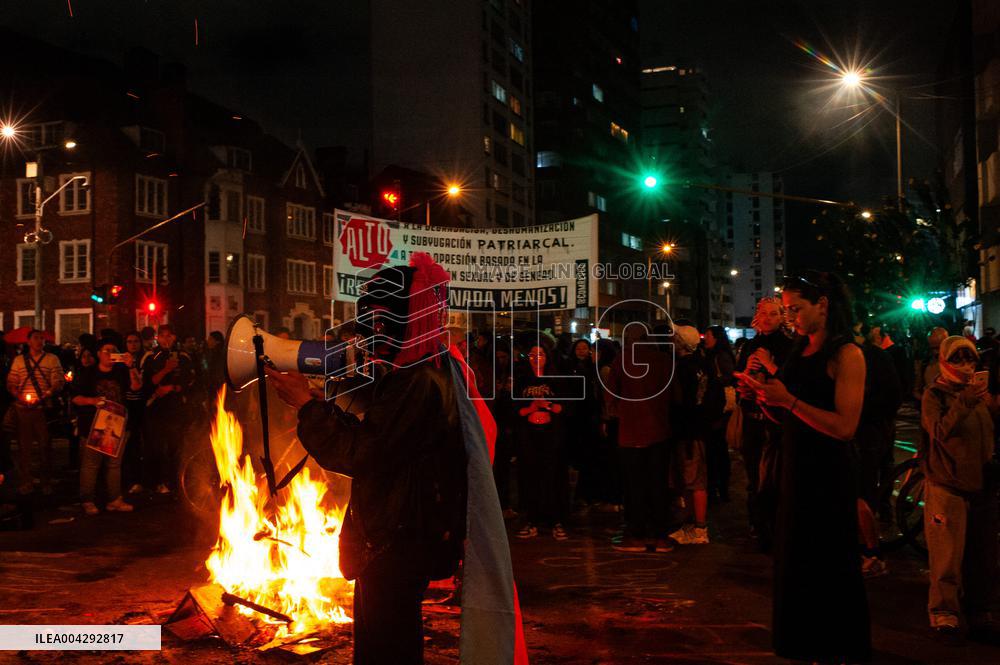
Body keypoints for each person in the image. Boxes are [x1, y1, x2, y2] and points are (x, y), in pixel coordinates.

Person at [267, 253, 526, 665]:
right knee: (387, 634)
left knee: (386, 643)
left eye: (377, 322)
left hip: (396, 538)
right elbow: (382, 438)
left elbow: (361, 453)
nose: (369, 333)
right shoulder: (427, 369)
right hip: (403, 533)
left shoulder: (418, 381)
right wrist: (324, 404)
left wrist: (307, 408)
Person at [736, 271, 870, 663]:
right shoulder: (799, 351)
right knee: (795, 561)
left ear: (823, 306)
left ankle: (836, 647)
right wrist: (763, 397)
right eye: (787, 309)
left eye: (797, 309)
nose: (791, 317)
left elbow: (844, 427)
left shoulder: (847, 354)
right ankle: (803, 644)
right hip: (795, 468)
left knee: (828, 564)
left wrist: (787, 400)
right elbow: (788, 416)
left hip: (828, 476)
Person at [921, 336, 999, 644]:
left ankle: (980, 611)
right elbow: (940, 431)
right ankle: (944, 611)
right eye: (959, 360)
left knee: (983, 556)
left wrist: (989, 403)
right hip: (947, 485)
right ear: (944, 362)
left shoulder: (979, 396)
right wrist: (965, 401)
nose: (966, 366)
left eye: (970, 360)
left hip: (982, 485)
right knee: (947, 555)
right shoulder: (935, 394)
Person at [605, 324, 673, 553]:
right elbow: (676, 394)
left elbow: (611, 395)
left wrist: (617, 413)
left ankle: (637, 535)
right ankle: (661, 535)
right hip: (660, 430)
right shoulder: (664, 359)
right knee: (658, 484)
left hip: (630, 432)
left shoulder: (622, 359)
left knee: (634, 486)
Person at [734, 296, 795, 550]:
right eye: (763, 313)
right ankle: (757, 525)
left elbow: (792, 383)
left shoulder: (790, 346)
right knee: (753, 475)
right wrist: (745, 378)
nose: (768, 318)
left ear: (782, 317)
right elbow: (739, 386)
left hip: (778, 423)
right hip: (753, 420)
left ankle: (777, 527)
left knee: (776, 477)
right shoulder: (749, 346)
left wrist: (770, 365)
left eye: (773, 314)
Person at [855, 323, 902, 578]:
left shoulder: (874, 357)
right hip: (862, 431)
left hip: (867, 432)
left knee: (861, 493)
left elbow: (893, 397)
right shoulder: (849, 353)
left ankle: (872, 552)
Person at [72, 339, 140, 515]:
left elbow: (136, 387)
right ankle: (87, 500)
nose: (110, 354)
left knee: (114, 464)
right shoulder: (88, 374)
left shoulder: (121, 371)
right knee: (91, 464)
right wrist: (92, 401)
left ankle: (114, 499)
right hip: (93, 424)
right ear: (98, 353)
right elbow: (75, 397)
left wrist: (131, 366)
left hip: (117, 424)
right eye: (106, 350)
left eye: (113, 350)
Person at [513, 341, 570, 541]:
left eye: (540, 355)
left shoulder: (557, 379)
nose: (536, 358)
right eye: (532, 354)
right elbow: (515, 410)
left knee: (553, 476)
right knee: (530, 477)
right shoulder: (521, 380)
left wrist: (548, 406)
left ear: (548, 357)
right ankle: (532, 520)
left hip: (551, 435)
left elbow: (565, 409)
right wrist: (532, 407)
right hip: (528, 436)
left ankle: (556, 520)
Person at [667, 325, 713, 545]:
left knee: (693, 480)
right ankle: (690, 526)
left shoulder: (682, 367)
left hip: (687, 430)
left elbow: (679, 400)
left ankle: (700, 528)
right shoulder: (702, 365)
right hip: (698, 427)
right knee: (691, 479)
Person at [6, 330, 65, 496]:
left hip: (42, 409)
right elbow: (11, 381)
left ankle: (46, 480)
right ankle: (27, 481)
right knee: (24, 447)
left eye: (42, 338)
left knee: (45, 445)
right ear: (28, 341)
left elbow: (58, 382)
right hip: (22, 409)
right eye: (36, 338)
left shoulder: (52, 359)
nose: (40, 341)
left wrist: (43, 396)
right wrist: (20, 396)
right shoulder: (18, 360)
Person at [141, 324, 196, 494]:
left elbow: (190, 381)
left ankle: (175, 481)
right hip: (156, 409)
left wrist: (172, 387)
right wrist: (166, 369)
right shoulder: (150, 357)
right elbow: (149, 382)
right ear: (158, 338)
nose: (166, 339)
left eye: (169, 335)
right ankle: (157, 481)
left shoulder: (184, 357)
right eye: (162, 336)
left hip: (176, 409)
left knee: (176, 447)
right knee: (156, 446)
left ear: (174, 337)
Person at [565, 339, 601, 509]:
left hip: (589, 416)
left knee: (588, 456)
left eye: (584, 348)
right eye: (578, 348)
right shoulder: (568, 366)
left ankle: (585, 493)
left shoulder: (594, 368)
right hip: (574, 416)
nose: (581, 351)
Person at [702, 325, 735, 503]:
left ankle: (720, 487)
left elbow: (729, 376)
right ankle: (719, 487)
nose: (705, 338)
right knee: (716, 449)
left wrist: (711, 382)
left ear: (716, 337)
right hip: (714, 407)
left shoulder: (720, 355)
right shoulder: (712, 354)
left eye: (707, 335)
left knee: (717, 449)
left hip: (718, 408)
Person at [122, 331, 147, 494]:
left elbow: (141, 383)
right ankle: (127, 478)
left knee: (138, 442)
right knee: (127, 443)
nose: (133, 344)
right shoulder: (120, 360)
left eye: (136, 341)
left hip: (141, 404)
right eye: (130, 341)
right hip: (125, 404)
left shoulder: (145, 359)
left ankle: (138, 479)